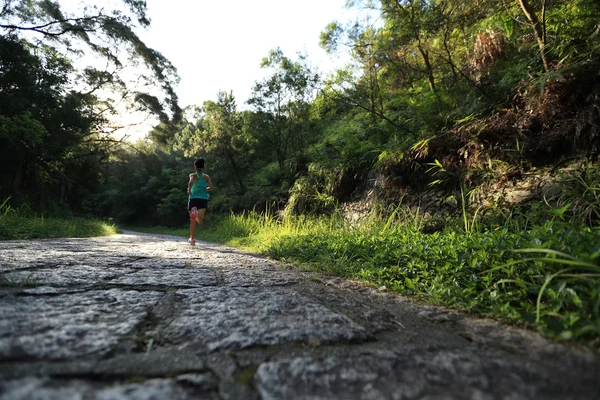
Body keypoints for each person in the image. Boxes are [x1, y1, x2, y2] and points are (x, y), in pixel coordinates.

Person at [187, 158, 213, 245]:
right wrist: (205, 189)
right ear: (203, 167)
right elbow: (211, 187)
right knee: (200, 219)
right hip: (202, 199)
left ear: (195, 167)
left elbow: (190, 182)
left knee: (192, 221)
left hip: (193, 199)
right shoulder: (206, 177)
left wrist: (189, 190)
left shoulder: (193, 175)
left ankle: (192, 239)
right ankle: (197, 214)